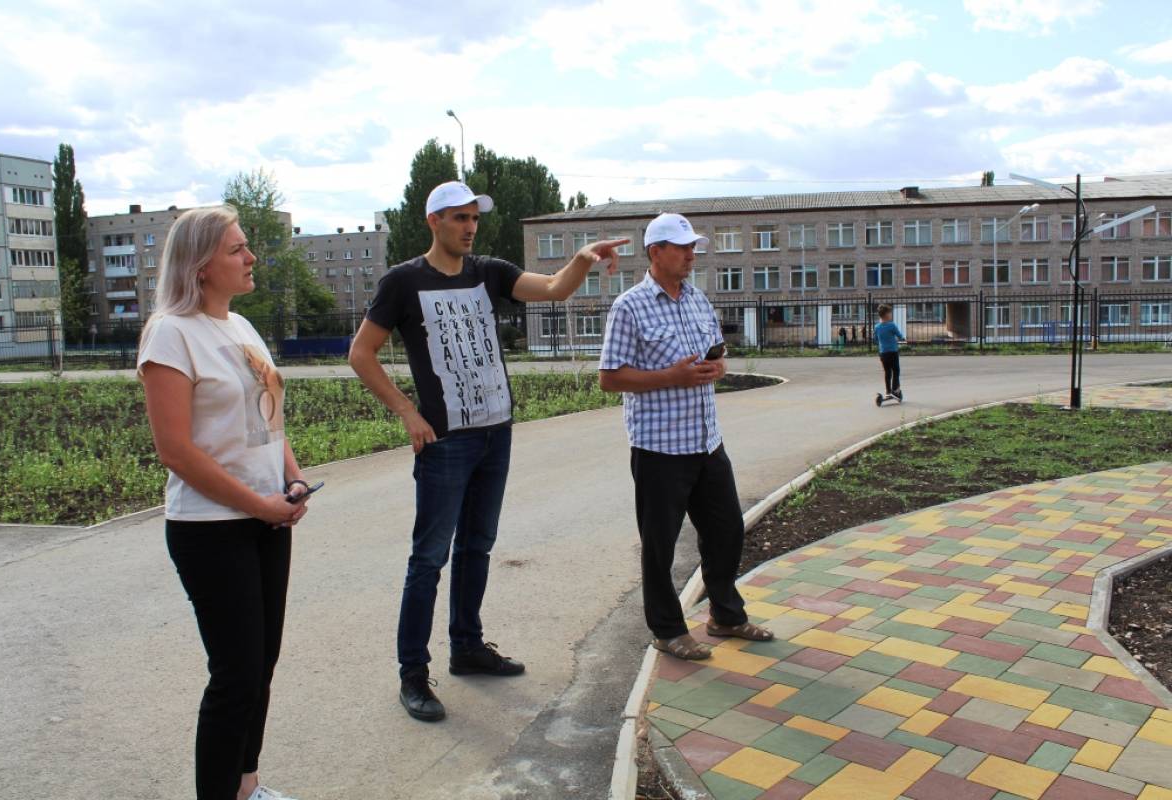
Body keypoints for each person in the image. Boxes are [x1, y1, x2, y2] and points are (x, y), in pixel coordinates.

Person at [348, 181, 628, 721]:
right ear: (434, 222)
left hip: (495, 432)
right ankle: (412, 675)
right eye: (458, 218)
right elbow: (362, 353)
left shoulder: (488, 271)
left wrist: (582, 259)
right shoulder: (403, 282)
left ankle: (468, 648)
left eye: (474, 217)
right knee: (429, 559)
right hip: (446, 442)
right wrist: (409, 413)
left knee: (477, 546)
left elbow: (552, 290)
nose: (469, 226)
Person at [137, 206, 311, 800]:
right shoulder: (170, 333)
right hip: (211, 528)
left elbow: (270, 424)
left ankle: (247, 786)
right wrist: (259, 506)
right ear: (201, 264)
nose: (251, 257)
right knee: (234, 676)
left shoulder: (239, 327)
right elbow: (176, 450)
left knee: (259, 666)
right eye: (237, 249)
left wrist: (292, 480)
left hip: (266, 519)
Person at [598, 212, 773, 661]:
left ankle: (726, 616)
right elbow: (610, 378)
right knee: (660, 544)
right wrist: (671, 376)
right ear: (656, 252)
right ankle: (668, 630)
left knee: (727, 530)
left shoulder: (698, 299)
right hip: (660, 447)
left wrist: (719, 367)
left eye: (693, 246)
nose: (691, 254)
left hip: (707, 440)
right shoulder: (629, 307)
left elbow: (720, 356)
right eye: (682, 247)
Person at [874, 303, 907, 400]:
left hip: (883, 353)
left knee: (887, 372)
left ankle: (888, 391)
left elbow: (875, 339)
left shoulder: (877, 327)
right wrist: (902, 339)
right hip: (892, 352)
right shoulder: (892, 325)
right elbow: (899, 335)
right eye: (890, 313)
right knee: (896, 371)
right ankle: (895, 390)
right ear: (886, 315)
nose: (891, 315)